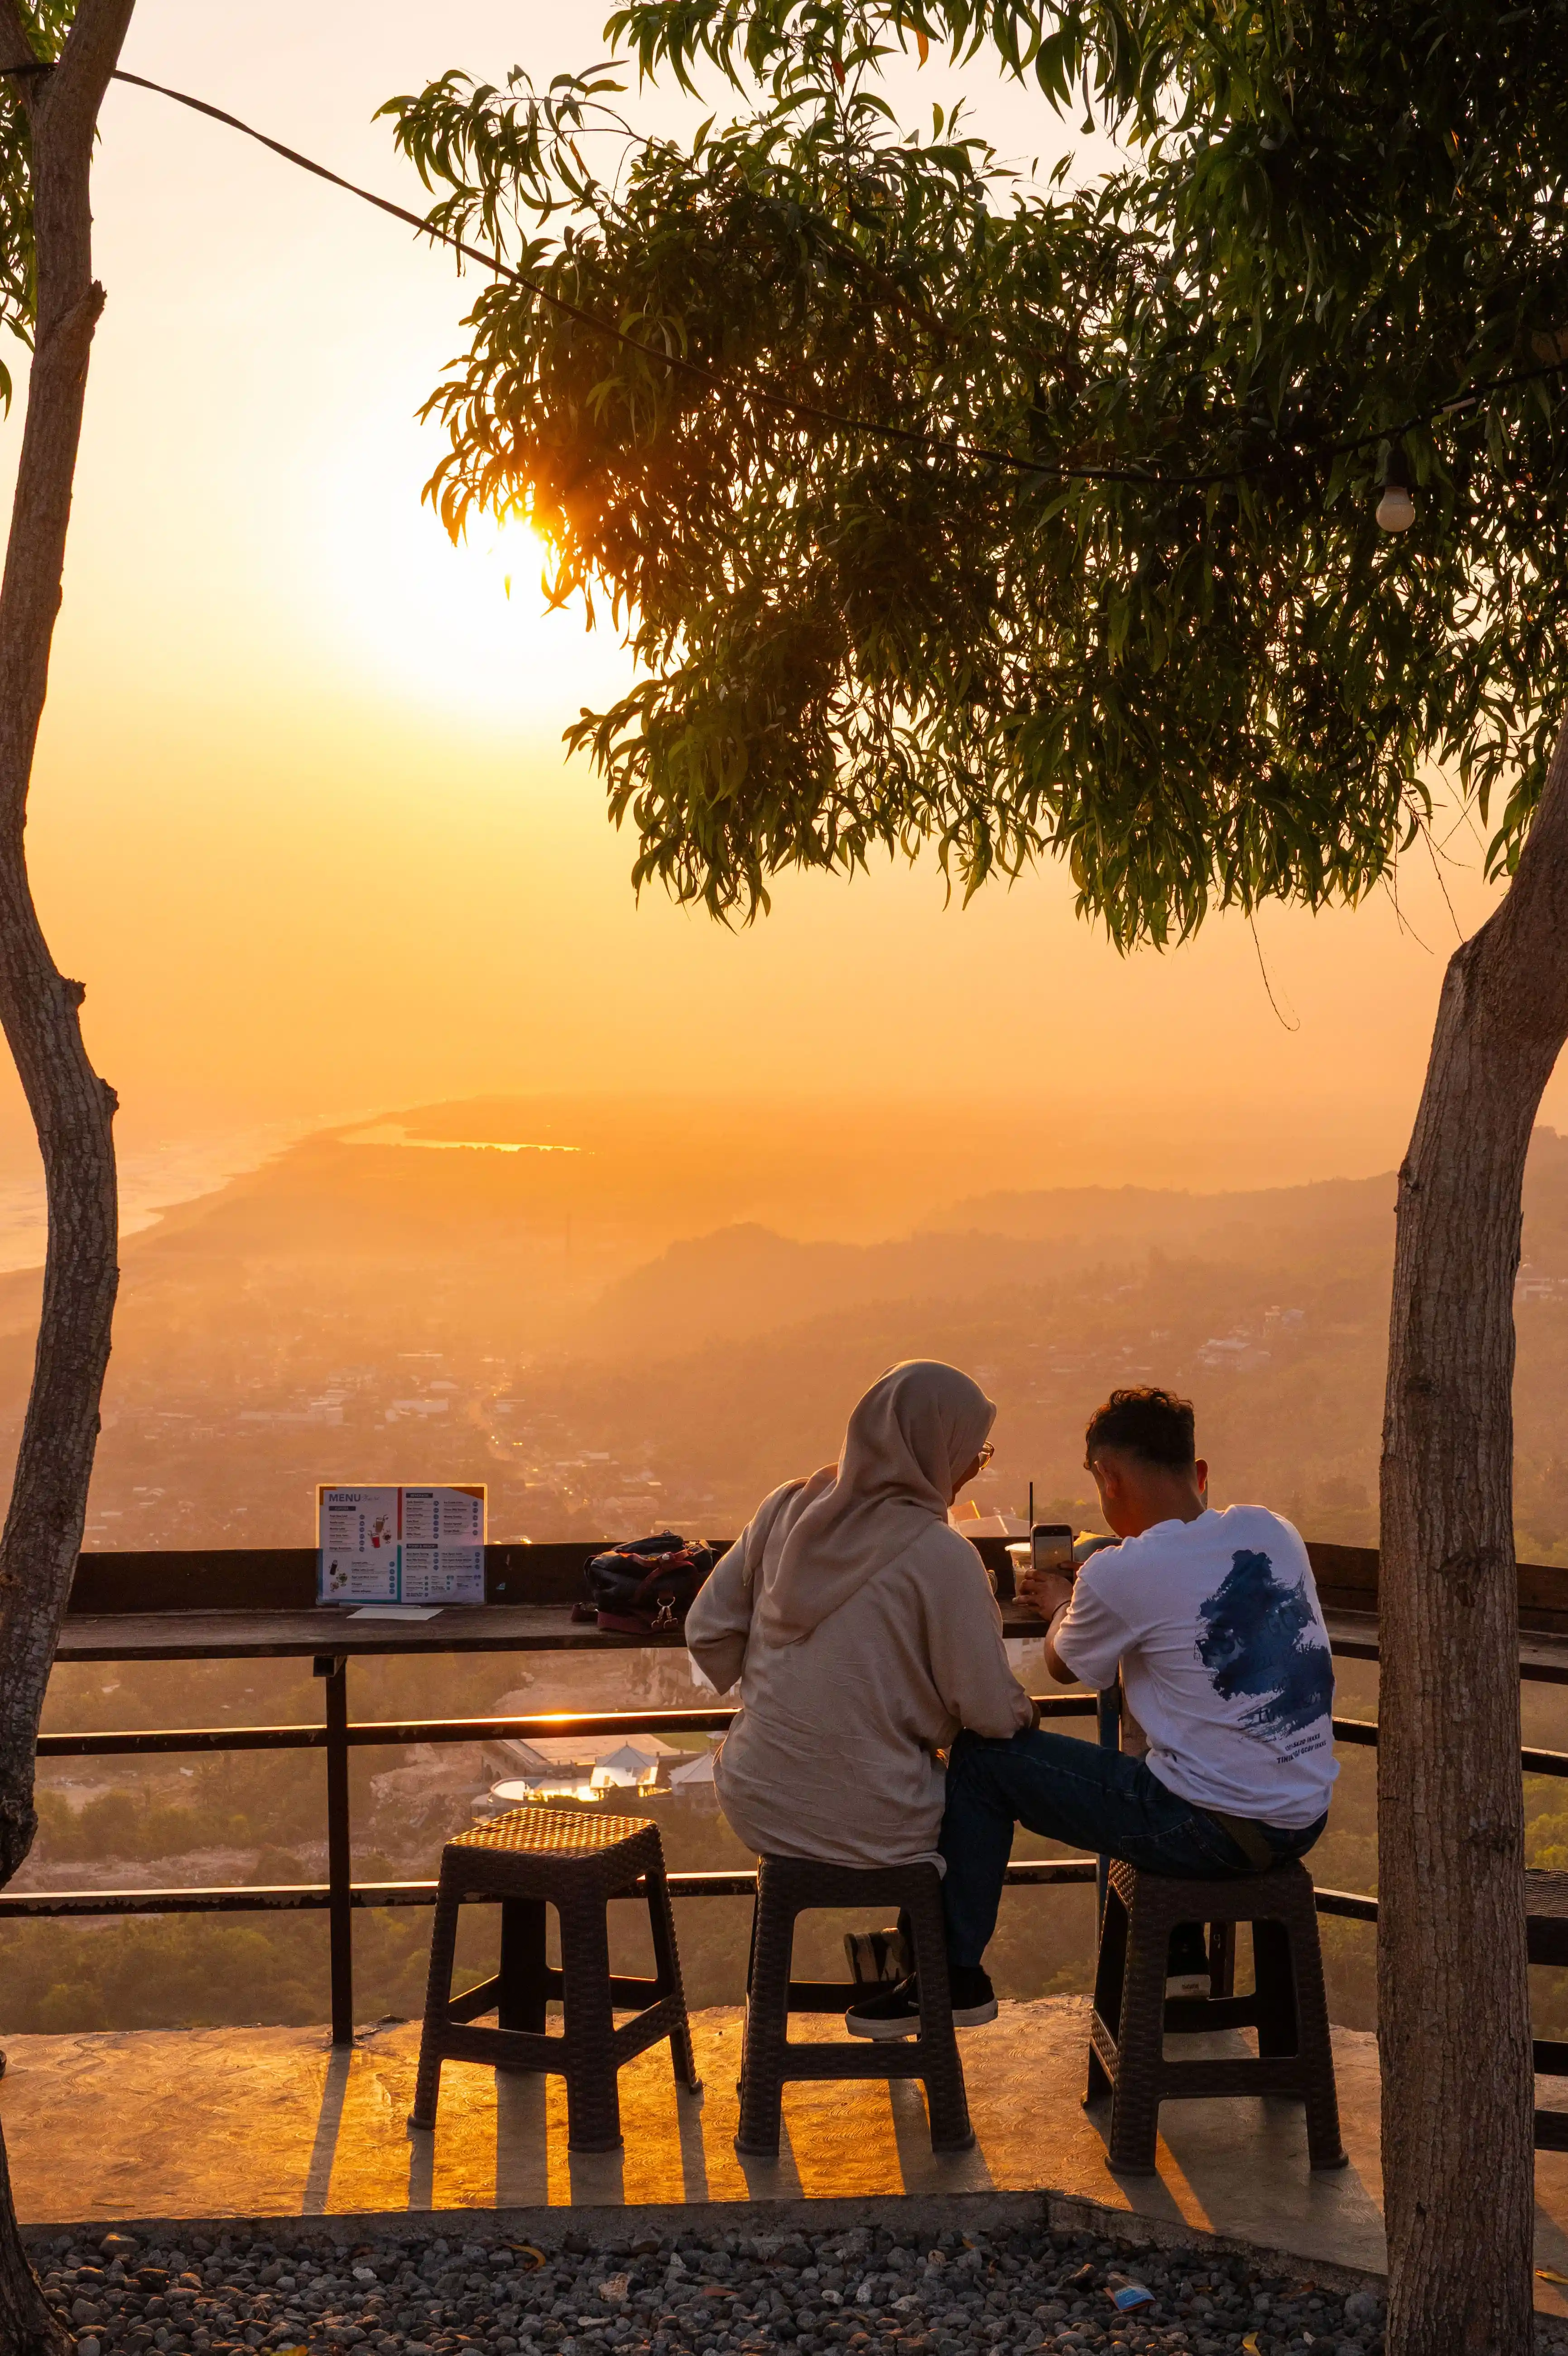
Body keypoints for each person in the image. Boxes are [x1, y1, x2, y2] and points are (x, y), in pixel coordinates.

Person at [845, 1384, 1337, 2038]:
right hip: (1300, 1817)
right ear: (1199, 1473)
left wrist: (1060, 1604)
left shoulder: (1118, 1572)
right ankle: (1181, 1956)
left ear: (1107, 1478)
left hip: (1201, 1830)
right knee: (1169, 1737)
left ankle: (950, 1975)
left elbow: (1065, 1664)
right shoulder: (1271, 1529)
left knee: (983, 1761)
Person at [684, 1359, 1034, 2026]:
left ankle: (905, 1975)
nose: (973, 1468)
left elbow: (705, 1629)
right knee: (987, 1773)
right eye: (973, 1451)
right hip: (877, 1817)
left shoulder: (786, 1506)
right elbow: (988, 1712)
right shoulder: (942, 1554)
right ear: (936, 1447)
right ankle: (944, 1973)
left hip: (758, 1797)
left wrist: (779, 1677)